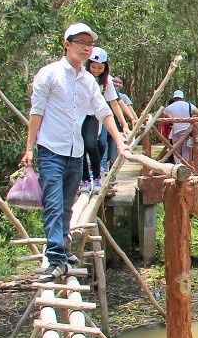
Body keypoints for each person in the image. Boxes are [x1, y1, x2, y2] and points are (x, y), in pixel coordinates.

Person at [21, 23, 129, 278]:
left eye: (89, 44)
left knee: (68, 204)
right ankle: (56, 256)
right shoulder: (49, 74)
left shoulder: (88, 82)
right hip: (50, 149)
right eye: (81, 42)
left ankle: (63, 246)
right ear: (67, 44)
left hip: (75, 151)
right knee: (53, 203)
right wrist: (29, 148)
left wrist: (120, 141)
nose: (86, 48)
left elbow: (103, 111)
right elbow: (36, 113)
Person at [83, 47, 130, 187]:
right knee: (80, 147)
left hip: (94, 116)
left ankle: (97, 176)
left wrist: (124, 124)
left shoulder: (107, 81)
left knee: (94, 145)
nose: (96, 70)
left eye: (100, 67)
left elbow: (114, 103)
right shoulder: (80, 76)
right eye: (93, 67)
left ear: (105, 67)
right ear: (88, 65)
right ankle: (84, 178)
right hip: (78, 116)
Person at [162, 90, 198, 164]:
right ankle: (186, 166)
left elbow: (163, 117)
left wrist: (171, 119)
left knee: (176, 151)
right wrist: (191, 118)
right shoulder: (189, 105)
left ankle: (178, 167)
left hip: (176, 131)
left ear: (174, 98)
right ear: (182, 97)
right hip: (187, 131)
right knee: (186, 151)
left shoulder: (169, 107)